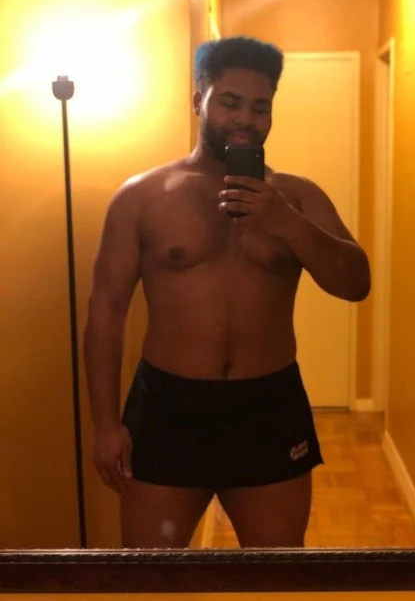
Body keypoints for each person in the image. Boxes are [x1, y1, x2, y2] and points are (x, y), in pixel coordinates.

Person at [83, 36, 371, 549]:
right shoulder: (142, 197)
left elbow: (356, 283)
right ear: (199, 100)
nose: (246, 118)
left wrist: (285, 222)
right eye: (230, 102)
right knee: (151, 578)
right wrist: (105, 425)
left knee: (277, 576)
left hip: (268, 406)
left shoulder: (297, 196)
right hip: (168, 408)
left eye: (260, 107)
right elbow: (106, 309)